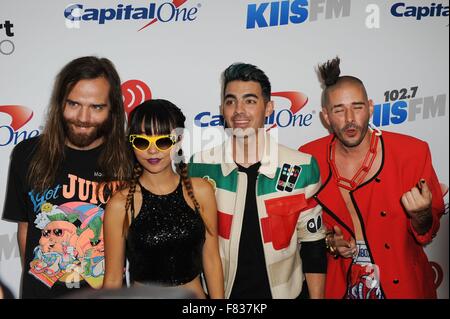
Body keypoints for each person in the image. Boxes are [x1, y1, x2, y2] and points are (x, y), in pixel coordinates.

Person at [299, 57, 445, 299]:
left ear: (370, 107)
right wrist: (330, 243)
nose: (349, 119)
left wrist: (422, 214)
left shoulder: (412, 153)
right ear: (325, 116)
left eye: (357, 107)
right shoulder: (309, 157)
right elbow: (302, 227)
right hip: (340, 285)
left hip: (403, 285)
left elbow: (429, 231)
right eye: (338, 110)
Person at [188, 63, 327, 299]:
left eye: (250, 101)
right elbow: (190, 247)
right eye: (231, 101)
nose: (239, 110)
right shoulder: (199, 166)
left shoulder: (302, 166)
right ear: (222, 109)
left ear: (269, 107)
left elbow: (313, 244)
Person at [1, 56, 131, 298]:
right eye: (74, 104)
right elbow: (26, 228)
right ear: (59, 103)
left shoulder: (131, 159)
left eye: (96, 107)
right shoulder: (27, 154)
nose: (83, 117)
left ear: (112, 109)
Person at [102, 100, 224, 299]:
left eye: (163, 141)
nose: (152, 150)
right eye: (142, 141)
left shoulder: (201, 191)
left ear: (179, 140)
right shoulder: (121, 204)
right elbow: (114, 279)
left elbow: (211, 259)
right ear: (131, 142)